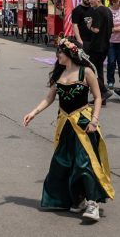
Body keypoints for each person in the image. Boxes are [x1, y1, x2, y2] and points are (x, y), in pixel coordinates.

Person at [23, 37, 114, 222]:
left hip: (83, 123)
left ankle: (93, 203)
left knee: (84, 163)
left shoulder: (85, 72)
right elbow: (49, 98)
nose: (57, 55)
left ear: (69, 53)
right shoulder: (59, 73)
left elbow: (98, 97)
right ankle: (78, 199)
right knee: (63, 163)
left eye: (60, 52)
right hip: (65, 124)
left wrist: (94, 121)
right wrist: (33, 113)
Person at [87, 0, 114, 104]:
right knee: (98, 70)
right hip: (105, 45)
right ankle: (101, 98)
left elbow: (96, 29)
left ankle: (104, 91)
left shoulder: (97, 11)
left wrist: (89, 26)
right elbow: (111, 28)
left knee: (91, 70)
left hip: (97, 46)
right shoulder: (108, 10)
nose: (90, 1)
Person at [108, 0, 120, 92]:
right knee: (111, 62)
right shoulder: (108, 11)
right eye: (118, 1)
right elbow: (106, 26)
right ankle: (110, 81)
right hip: (110, 41)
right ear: (113, 1)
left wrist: (113, 29)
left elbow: (110, 28)